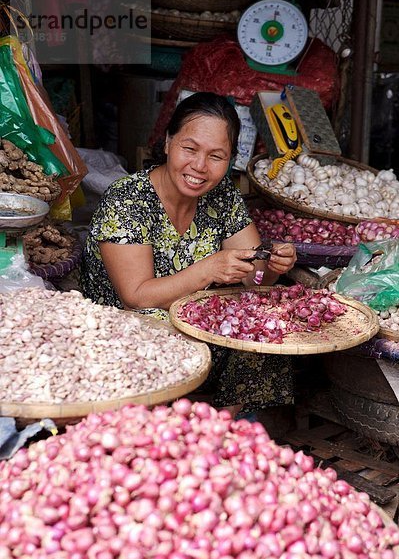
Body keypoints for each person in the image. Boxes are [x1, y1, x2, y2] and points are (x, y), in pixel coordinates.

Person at [81, 91, 297, 416]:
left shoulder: (222, 195)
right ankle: (157, 433)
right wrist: (210, 270)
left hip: (190, 320)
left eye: (216, 156)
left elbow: (255, 279)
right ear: (168, 142)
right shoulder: (127, 201)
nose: (199, 166)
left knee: (260, 319)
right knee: (163, 327)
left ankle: (228, 426)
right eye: (190, 148)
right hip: (123, 328)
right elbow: (136, 297)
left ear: (230, 160)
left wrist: (274, 265)